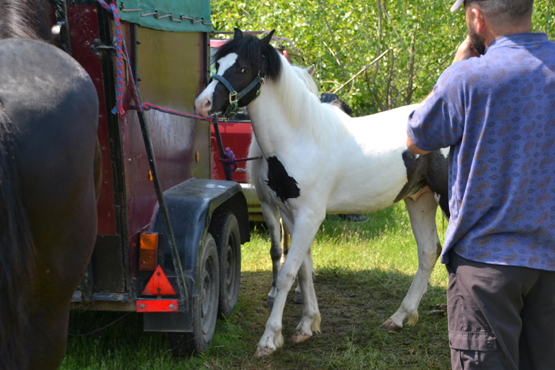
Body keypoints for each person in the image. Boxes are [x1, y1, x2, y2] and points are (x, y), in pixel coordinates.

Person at [406, 0, 555, 369]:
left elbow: (417, 137)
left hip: (484, 266)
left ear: (477, 17)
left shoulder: (468, 77)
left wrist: (456, 66)